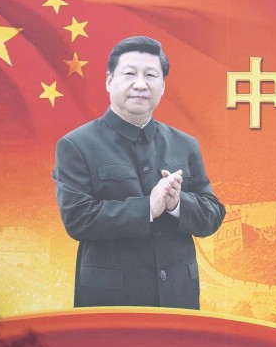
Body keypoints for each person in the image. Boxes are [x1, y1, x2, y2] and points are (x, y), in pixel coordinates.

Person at [53, 36, 225, 309]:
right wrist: (148, 208)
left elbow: (213, 214)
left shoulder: (185, 144)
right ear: (109, 81)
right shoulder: (77, 145)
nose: (141, 84)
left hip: (179, 300)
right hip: (111, 304)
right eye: (130, 73)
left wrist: (178, 204)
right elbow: (78, 219)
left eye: (151, 75)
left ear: (163, 86)